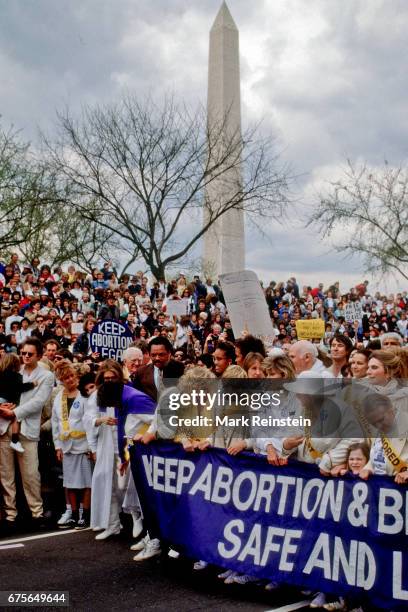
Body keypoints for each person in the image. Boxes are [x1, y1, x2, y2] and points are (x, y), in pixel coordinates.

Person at [85, 360, 156, 542]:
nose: (109, 381)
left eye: (113, 377)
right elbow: (89, 418)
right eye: (106, 378)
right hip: (107, 445)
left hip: (127, 445)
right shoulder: (98, 395)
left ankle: (137, 518)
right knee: (108, 484)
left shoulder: (131, 394)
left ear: (119, 377)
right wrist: (100, 422)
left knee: (127, 485)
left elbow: (151, 417)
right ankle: (112, 524)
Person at [0, 338, 54, 531]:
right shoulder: (15, 370)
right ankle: (10, 514)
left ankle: (36, 512)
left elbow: (38, 402)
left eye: (29, 354)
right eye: (23, 353)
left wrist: (13, 412)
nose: (25, 357)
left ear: (39, 355)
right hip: (4, 427)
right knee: (6, 474)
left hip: (27, 429)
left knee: (30, 474)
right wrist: (2, 407)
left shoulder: (46, 375)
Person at [51, 361, 92, 529]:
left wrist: (91, 446)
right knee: (69, 483)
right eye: (65, 378)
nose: (69, 380)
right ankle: (74, 514)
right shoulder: (59, 397)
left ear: (76, 376)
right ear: (60, 380)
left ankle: (86, 514)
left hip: (83, 445)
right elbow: (55, 423)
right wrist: (57, 446)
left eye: (71, 376)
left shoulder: (84, 395)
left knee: (86, 482)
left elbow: (90, 421)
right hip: (66, 446)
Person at [0, 354, 36, 454]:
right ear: (16, 364)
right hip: (7, 402)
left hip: (1, 402)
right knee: (17, 416)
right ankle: (15, 440)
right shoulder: (17, 376)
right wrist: (33, 384)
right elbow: (21, 387)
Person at [132, 336, 184, 401]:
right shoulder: (141, 372)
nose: (157, 358)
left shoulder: (181, 369)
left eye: (161, 355)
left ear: (169, 353)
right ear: (149, 354)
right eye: (153, 355)